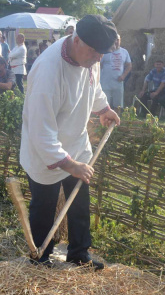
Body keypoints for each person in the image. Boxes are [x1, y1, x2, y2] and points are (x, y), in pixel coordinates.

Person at [20, 14, 121, 270]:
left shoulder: (90, 57)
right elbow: (41, 133)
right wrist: (70, 165)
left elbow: (93, 86)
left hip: (75, 142)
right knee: (44, 206)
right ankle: (40, 258)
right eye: (95, 53)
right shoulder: (47, 71)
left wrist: (103, 108)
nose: (98, 59)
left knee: (78, 202)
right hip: (46, 152)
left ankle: (79, 252)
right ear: (76, 40)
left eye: (101, 54)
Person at [99, 34, 132, 109]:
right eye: (115, 40)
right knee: (105, 102)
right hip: (105, 81)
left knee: (118, 104)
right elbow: (99, 65)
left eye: (118, 40)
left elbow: (129, 65)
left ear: (120, 40)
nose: (116, 41)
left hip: (118, 82)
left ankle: (117, 118)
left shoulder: (124, 52)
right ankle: (104, 118)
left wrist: (123, 76)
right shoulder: (106, 51)